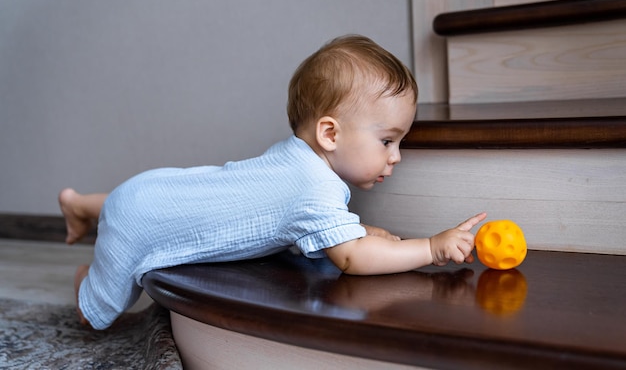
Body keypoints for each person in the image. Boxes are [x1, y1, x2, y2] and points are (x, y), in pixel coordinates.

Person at [59, 35, 486, 330]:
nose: (396, 156)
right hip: (140, 226)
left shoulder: (293, 157)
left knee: (128, 201)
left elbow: (318, 229)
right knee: (98, 313)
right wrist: (430, 247)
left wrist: (363, 230)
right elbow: (353, 258)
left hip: (151, 191)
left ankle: (82, 205)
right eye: (388, 141)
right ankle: (86, 275)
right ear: (330, 134)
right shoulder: (314, 189)